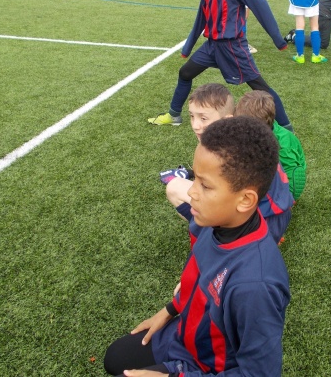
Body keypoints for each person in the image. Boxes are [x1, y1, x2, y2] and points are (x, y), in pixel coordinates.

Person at [104, 116, 290, 377]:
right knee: (115, 358)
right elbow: (198, 279)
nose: (191, 192)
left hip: (207, 367)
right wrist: (169, 310)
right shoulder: (214, 222)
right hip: (183, 338)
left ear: (245, 200)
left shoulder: (255, 285)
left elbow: (260, 374)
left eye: (205, 185)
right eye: (195, 179)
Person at [148, 0, 293, 131]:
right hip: (211, 46)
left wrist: (278, 40)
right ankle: (174, 115)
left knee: (260, 87)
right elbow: (201, 16)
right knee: (185, 73)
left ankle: (286, 128)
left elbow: (260, 5)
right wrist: (188, 46)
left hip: (233, 47)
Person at [161, 83, 294, 243]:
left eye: (203, 118)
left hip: (259, 227)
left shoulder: (231, 152)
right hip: (278, 214)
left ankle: (215, 239)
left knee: (175, 188)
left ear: (227, 119)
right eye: (191, 116)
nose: (195, 125)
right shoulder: (246, 136)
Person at [235, 90, 307, 200]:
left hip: (284, 187)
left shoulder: (283, 144)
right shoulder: (262, 130)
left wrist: (287, 198)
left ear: (256, 126)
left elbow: (295, 174)